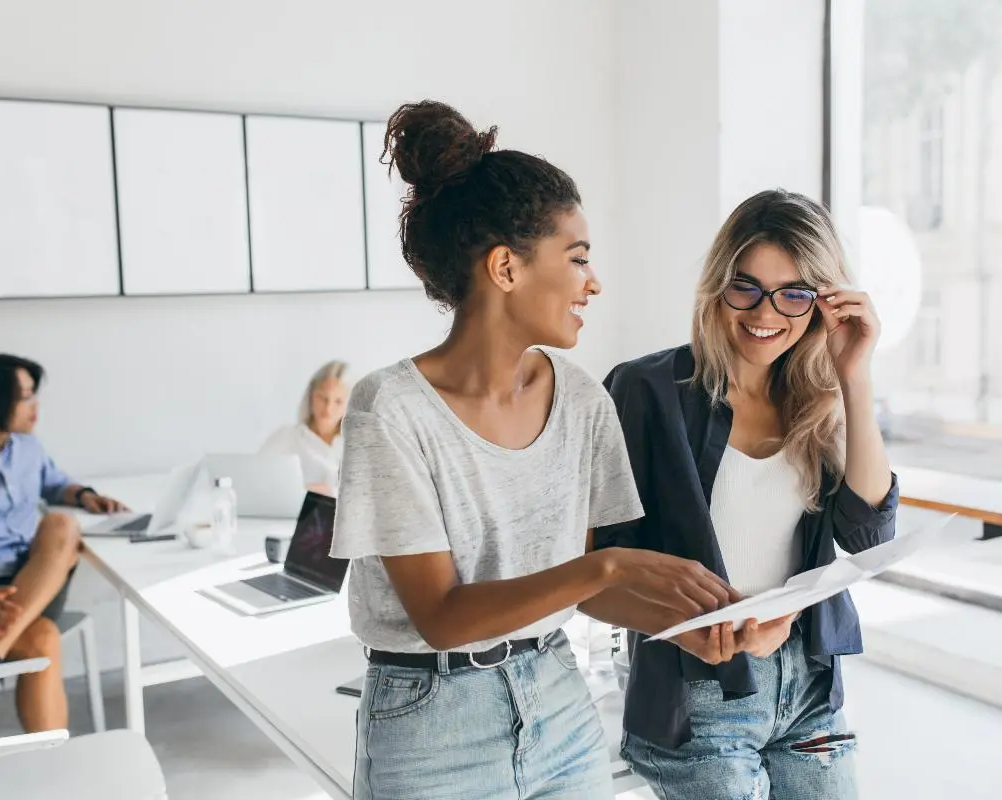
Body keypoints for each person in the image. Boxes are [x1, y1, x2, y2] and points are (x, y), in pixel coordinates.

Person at [330, 100, 738, 800]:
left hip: (556, 700)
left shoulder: (583, 403)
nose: (594, 282)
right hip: (430, 723)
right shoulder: (389, 410)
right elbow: (443, 616)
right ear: (506, 268)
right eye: (578, 259)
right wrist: (607, 564)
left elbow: (569, 596)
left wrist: (684, 628)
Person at [594, 189, 899, 799]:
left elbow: (867, 534)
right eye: (747, 287)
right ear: (718, 285)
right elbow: (598, 566)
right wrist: (689, 629)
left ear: (821, 302)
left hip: (809, 688)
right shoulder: (645, 390)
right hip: (698, 693)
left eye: (794, 293)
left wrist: (855, 376)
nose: (767, 311)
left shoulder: (820, 398)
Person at [0, 353, 128, 733]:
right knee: (43, 637)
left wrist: (82, 495)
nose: (36, 406)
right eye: (25, 397)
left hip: (35, 578)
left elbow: (53, 483)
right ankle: (53, 771)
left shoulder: (27, 449)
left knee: (61, 524)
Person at [259, 360, 351, 496]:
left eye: (338, 401)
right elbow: (257, 479)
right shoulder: (287, 437)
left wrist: (330, 492)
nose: (328, 408)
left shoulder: (358, 445)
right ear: (311, 396)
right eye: (322, 398)